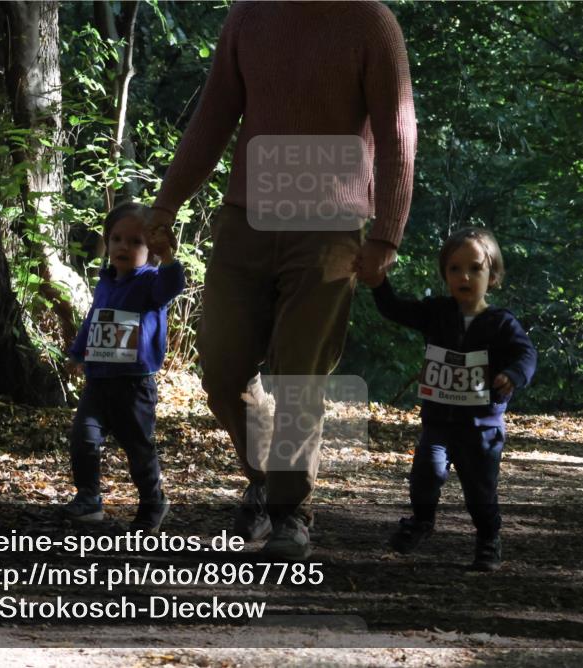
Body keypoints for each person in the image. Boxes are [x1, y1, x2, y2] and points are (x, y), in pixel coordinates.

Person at [147, 1, 416, 559]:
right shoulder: (249, 17)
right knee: (222, 371)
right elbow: (214, 116)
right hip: (247, 218)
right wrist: (166, 204)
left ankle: (291, 511)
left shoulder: (370, 23)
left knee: (299, 374)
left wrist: (386, 235)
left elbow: (396, 131)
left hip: (329, 228)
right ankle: (267, 478)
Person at [362, 227, 536, 571]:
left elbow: (526, 355)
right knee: (425, 472)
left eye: (475, 268)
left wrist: (513, 376)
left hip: (482, 428)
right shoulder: (437, 312)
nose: (465, 276)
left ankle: (488, 538)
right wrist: (378, 282)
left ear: (493, 276)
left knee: (480, 493)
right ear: (445, 275)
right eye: (455, 269)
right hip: (439, 423)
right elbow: (396, 309)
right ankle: (422, 521)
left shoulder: (501, 323)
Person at [63, 202, 186, 532]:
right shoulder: (105, 282)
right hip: (98, 381)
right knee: (84, 438)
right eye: (116, 239)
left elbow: (173, 285)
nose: (123, 247)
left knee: (137, 448)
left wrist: (169, 257)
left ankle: (153, 502)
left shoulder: (151, 283)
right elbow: (93, 321)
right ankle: (89, 498)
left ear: (151, 249)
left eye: (135, 242)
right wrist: (78, 353)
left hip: (134, 385)